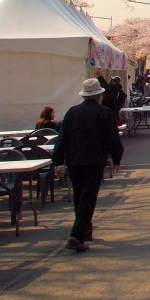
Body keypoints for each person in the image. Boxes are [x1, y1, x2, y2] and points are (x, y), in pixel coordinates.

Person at [51, 78, 124, 252]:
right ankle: (77, 235)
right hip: (94, 160)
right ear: (99, 95)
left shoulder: (72, 113)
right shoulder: (105, 113)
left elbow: (63, 139)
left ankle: (86, 229)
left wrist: (58, 161)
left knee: (79, 196)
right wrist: (117, 158)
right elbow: (113, 139)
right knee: (88, 197)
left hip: (74, 160)